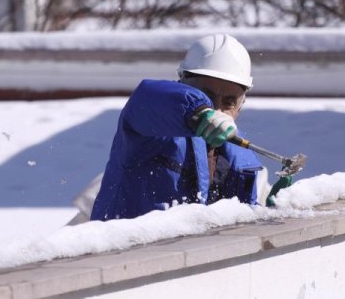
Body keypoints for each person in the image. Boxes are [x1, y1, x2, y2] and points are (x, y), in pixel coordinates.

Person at [90, 33, 285, 221]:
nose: (216, 108)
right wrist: (197, 109)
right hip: (123, 253)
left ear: (240, 106)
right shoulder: (154, 130)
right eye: (205, 95)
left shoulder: (244, 162)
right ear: (181, 83)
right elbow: (146, 99)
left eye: (229, 102)